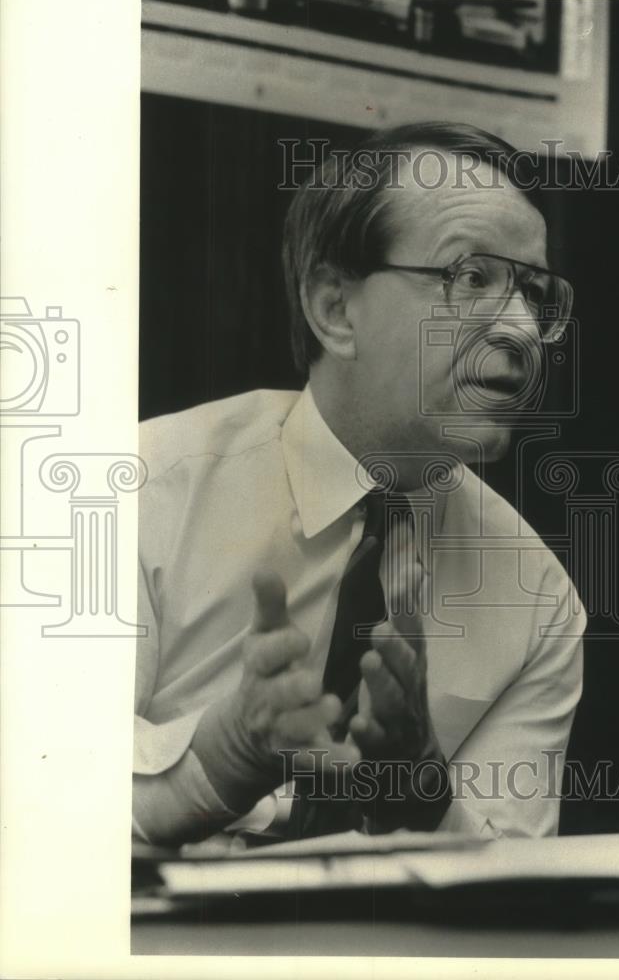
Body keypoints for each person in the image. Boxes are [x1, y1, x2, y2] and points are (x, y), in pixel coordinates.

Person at [133, 121, 586, 848]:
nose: (522, 330)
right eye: (472, 278)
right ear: (335, 310)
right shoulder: (138, 492)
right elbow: (36, 794)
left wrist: (421, 796)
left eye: (534, 293)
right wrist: (220, 760)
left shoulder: (538, 599)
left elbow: (508, 896)